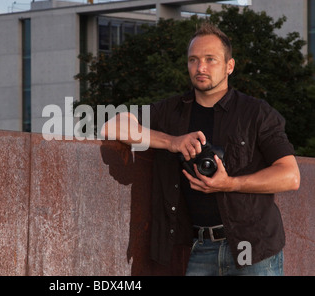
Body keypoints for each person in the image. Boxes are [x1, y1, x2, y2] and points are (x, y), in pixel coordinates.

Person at [101, 23, 300, 276]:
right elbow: (112, 126)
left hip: (253, 248)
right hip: (198, 248)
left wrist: (230, 184)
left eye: (210, 59)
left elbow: (290, 176)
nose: (200, 67)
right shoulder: (171, 111)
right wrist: (172, 141)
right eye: (193, 60)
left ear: (230, 66)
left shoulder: (256, 113)